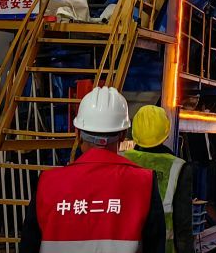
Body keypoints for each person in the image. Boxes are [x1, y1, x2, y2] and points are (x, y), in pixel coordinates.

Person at [19, 86, 165, 253]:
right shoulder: (143, 182)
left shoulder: (47, 182)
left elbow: (28, 246)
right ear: (123, 134)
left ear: (77, 133)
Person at [124, 105, 193, 253]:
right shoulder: (178, 167)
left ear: (133, 132)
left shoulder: (120, 161)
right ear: (166, 133)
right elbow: (183, 227)